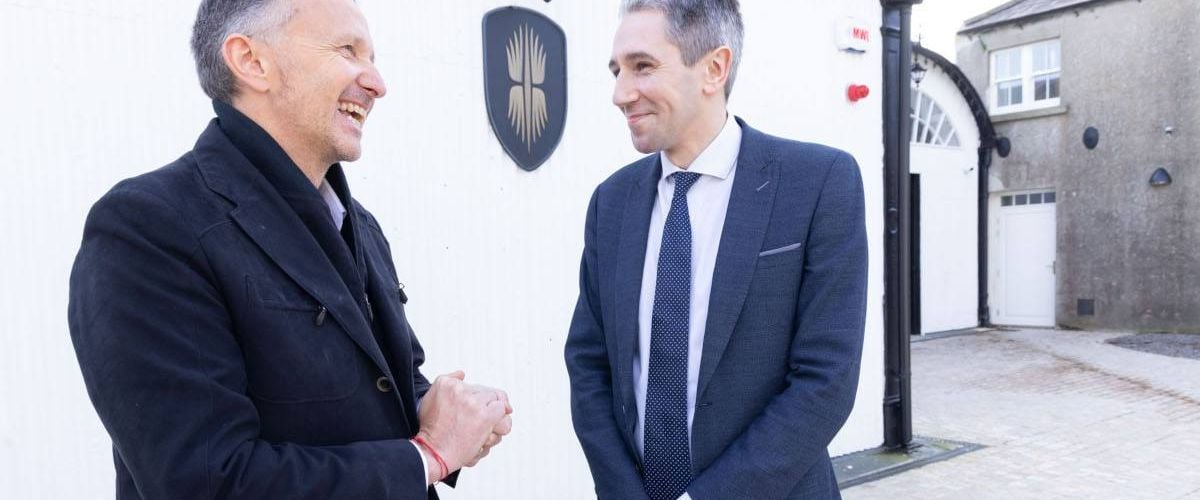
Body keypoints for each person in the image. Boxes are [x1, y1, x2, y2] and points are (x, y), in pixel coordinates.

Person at [67, 0, 511, 497]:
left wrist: (438, 409)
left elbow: (381, 388)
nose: (377, 83)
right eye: (348, 50)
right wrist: (428, 455)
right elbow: (206, 481)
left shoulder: (359, 224)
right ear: (251, 61)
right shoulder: (150, 227)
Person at [564, 1, 868, 498]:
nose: (620, 93)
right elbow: (589, 363)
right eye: (616, 71)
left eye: (642, 66)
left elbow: (825, 382)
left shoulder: (817, 184)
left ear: (714, 68)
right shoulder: (611, 204)